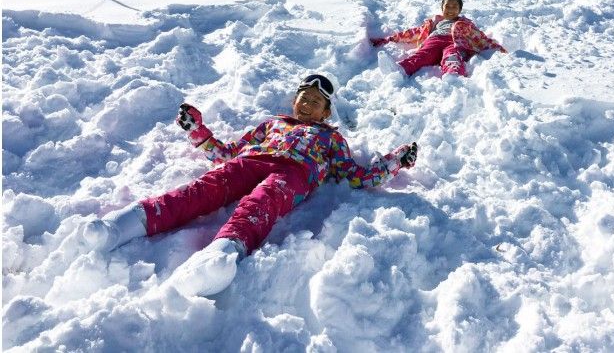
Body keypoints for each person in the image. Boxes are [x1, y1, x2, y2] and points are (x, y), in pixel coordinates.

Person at [82, 74, 418, 297]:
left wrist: (393, 163)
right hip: (252, 159)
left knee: (262, 203)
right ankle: (130, 222)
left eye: (316, 102)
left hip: (296, 174)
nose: (307, 104)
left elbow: (355, 175)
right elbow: (227, 154)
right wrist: (197, 130)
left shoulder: (331, 138)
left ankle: (222, 252)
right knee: (206, 188)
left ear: (326, 112)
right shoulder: (271, 125)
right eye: (303, 97)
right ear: (294, 101)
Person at [370, 0, 507, 77]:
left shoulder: (465, 23)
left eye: (454, 7)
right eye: (447, 6)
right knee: (422, 56)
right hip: (434, 40)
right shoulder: (434, 22)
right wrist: (388, 39)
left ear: (460, 10)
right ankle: (399, 69)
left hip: (453, 42)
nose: (451, 10)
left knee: (452, 57)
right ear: (442, 8)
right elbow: (412, 33)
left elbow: (479, 37)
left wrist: (495, 46)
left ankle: (453, 75)